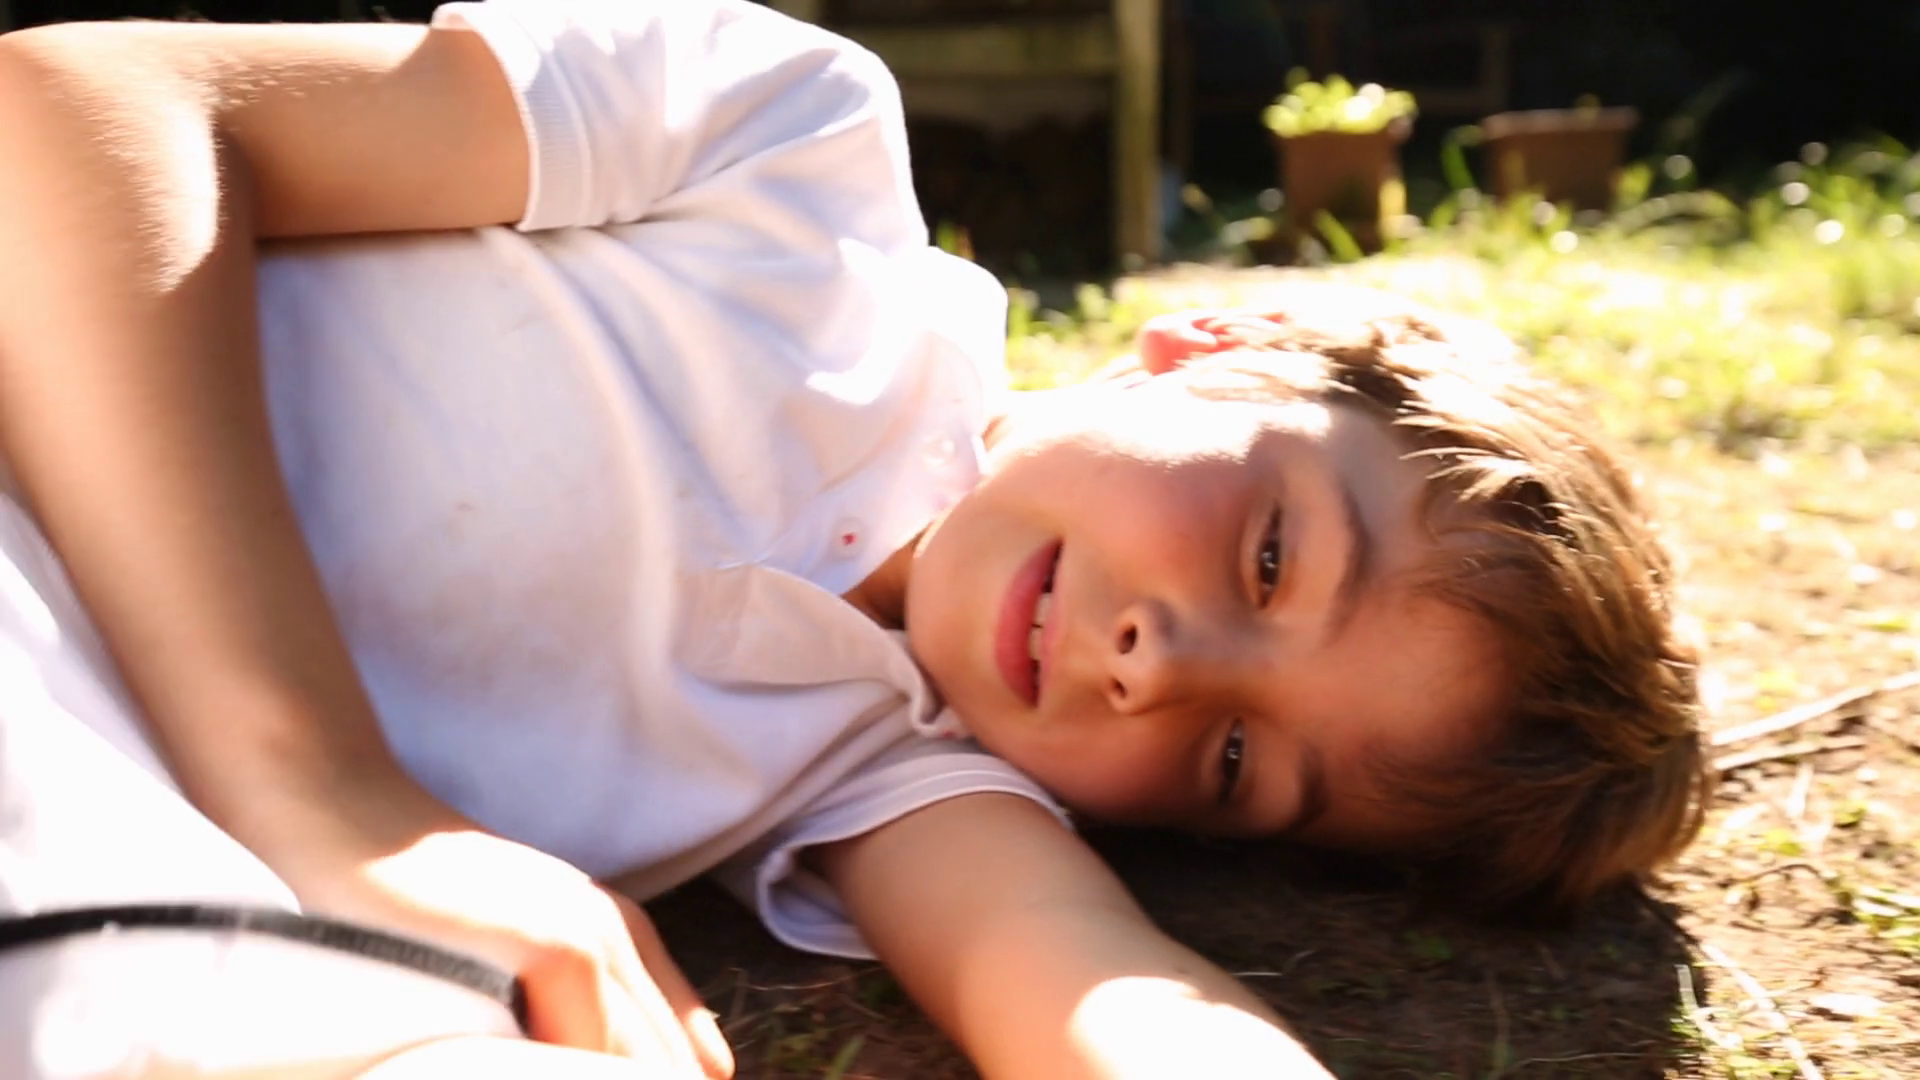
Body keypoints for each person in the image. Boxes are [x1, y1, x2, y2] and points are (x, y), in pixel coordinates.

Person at [0, 1, 1708, 1076]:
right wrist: (325, 793)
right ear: (1234, 343)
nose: (1159, 668)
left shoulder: (884, 767)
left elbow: (1099, 992)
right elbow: (78, 108)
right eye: (1271, 560)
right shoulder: (794, 154)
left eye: (1239, 763)